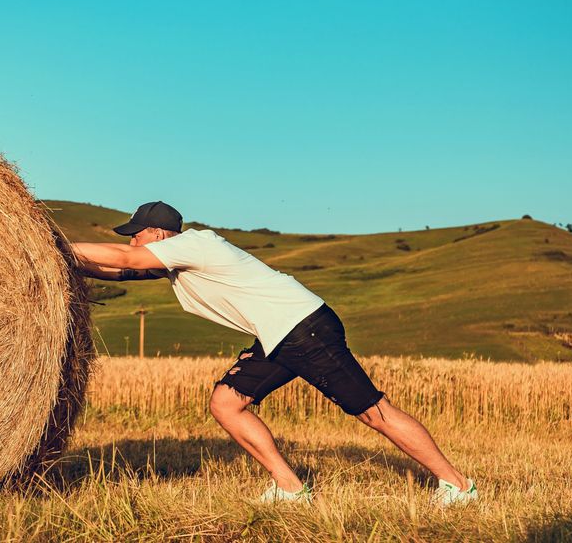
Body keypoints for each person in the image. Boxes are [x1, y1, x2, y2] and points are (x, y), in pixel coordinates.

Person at [70, 201, 478, 507]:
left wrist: (54, 241)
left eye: (136, 234)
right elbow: (122, 270)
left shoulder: (194, 245)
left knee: (373, 411)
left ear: (158, 234)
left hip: (304, 327)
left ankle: (458, 486)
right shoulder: (180, 261)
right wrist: (61, 262)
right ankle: (290, 488)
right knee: (227, 403)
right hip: (278, 334)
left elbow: (123, 258)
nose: (131, 240)